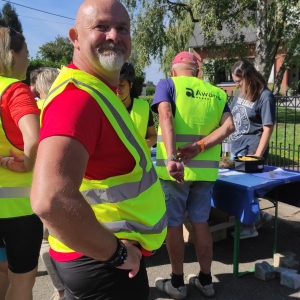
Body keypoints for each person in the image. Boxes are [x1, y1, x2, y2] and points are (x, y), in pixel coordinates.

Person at [30, 1, 167, 300]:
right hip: (104, 263)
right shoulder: (77, 99)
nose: (114, 36)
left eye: (122, 28)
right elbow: (49, 200)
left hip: (99, 256)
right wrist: (117, 254)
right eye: (101, 26)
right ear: (75, 37)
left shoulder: (98, 90)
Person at [152, 51, 235, 299]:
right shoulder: (218, 93)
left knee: (174, 223)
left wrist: (171, 158)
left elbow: (166, 115)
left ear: (173, 70)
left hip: (174, 171)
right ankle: (206, 281)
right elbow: (229, 127)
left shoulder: (168, 84)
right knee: (200, 222)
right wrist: (199, 147)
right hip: (205, 172)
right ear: (198, 71)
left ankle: (177, 283)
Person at [0, 26, 42, 300]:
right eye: (26, 52)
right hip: (19, 211)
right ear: (12, 54)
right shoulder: (15, 90)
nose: (28, 58)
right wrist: (26, 164)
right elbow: (35, 140)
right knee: (22, 283)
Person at [230, 59, 276, 239]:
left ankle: (249, 227)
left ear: (248, 77)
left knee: (246, 189)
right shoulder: (240, 93)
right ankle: (260, 216)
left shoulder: (265, 96)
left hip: (251, 151)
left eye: (238, 80)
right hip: (236, 147)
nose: (237, 84)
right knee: (240, 189)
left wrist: (257, 155)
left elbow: (268, 127)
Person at [35, 67, 65, 300]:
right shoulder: (66, 108)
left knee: (48, 241)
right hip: (70, 185)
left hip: (39, 186)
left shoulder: (33, 112)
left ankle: (61, 289)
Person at [117, 62, 157, 147]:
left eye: (121, 84)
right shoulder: (105, 106)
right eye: (114, 84)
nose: (117, 89)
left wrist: (145, 144)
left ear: (130, 85)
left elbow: (153, 136)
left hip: (139, 159)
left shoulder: (143, 107)